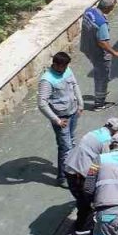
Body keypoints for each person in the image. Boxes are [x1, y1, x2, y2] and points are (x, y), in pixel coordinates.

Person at [64, 116, 118, 235]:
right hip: (78, 176)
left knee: (84, 204)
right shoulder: (106, 141)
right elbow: (107, 165)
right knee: (87, 210)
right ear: (116, 132)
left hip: (71, 169)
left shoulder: (94, 133)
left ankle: (84, 233)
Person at [37, 52, 84, 186]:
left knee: (71, 142)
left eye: (66, 66)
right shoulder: (47, 80)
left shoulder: (67, 70)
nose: (65, 69)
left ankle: (70, 171)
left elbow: (75, 85)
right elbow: (42, 103)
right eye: (63, 66)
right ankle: (64, 177)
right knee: (66, 148)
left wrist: (80, 104)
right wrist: (56, 120)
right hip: (62, 118)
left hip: (73, 113)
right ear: (55, 64)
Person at [81, 0, 118, 110]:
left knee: (98, 70)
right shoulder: (101, 23)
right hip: (97, 52)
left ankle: (100, 93)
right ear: (107, 8)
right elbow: (102, 43)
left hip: (86, 47)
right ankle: (99, 104)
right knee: (102, 76)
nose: (112, 9)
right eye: (112, 7)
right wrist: (115, 53)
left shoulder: (89, 11)